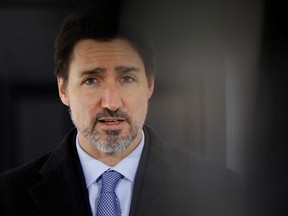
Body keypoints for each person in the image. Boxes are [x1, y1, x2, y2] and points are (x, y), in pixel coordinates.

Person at [0, 3, 243, 216]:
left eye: (126, 78)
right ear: (63, 90)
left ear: (149, 85)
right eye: (91, 80)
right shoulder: (8, 196)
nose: (111, 103)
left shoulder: (219, 190)